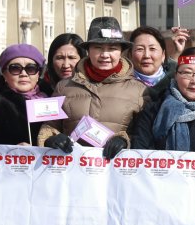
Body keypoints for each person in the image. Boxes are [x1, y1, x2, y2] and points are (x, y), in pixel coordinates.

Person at [42, 16, 146, 158]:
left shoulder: (139, 91)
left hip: (116, 168)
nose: (105, 55)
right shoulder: (63, 86)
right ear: (88, 50)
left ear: (121, 51)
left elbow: (145, 136)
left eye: (112, 48)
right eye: (98, 48)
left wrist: (125, 140)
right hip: (72, 166)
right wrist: (52, 138)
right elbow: (49, 127)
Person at [0, 44, 50, 146]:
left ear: (38, 74)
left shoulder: (52, 101)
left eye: (31, 69)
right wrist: (12, 151)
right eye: (15, 69)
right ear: (4, 74)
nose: (24, 74)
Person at [130, 26, 174, 93]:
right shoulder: (121, 86)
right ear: (130, 54)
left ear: (163, 55)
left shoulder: (176, 83)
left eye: (152, 49)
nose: (146, 55)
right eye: (140, 49)